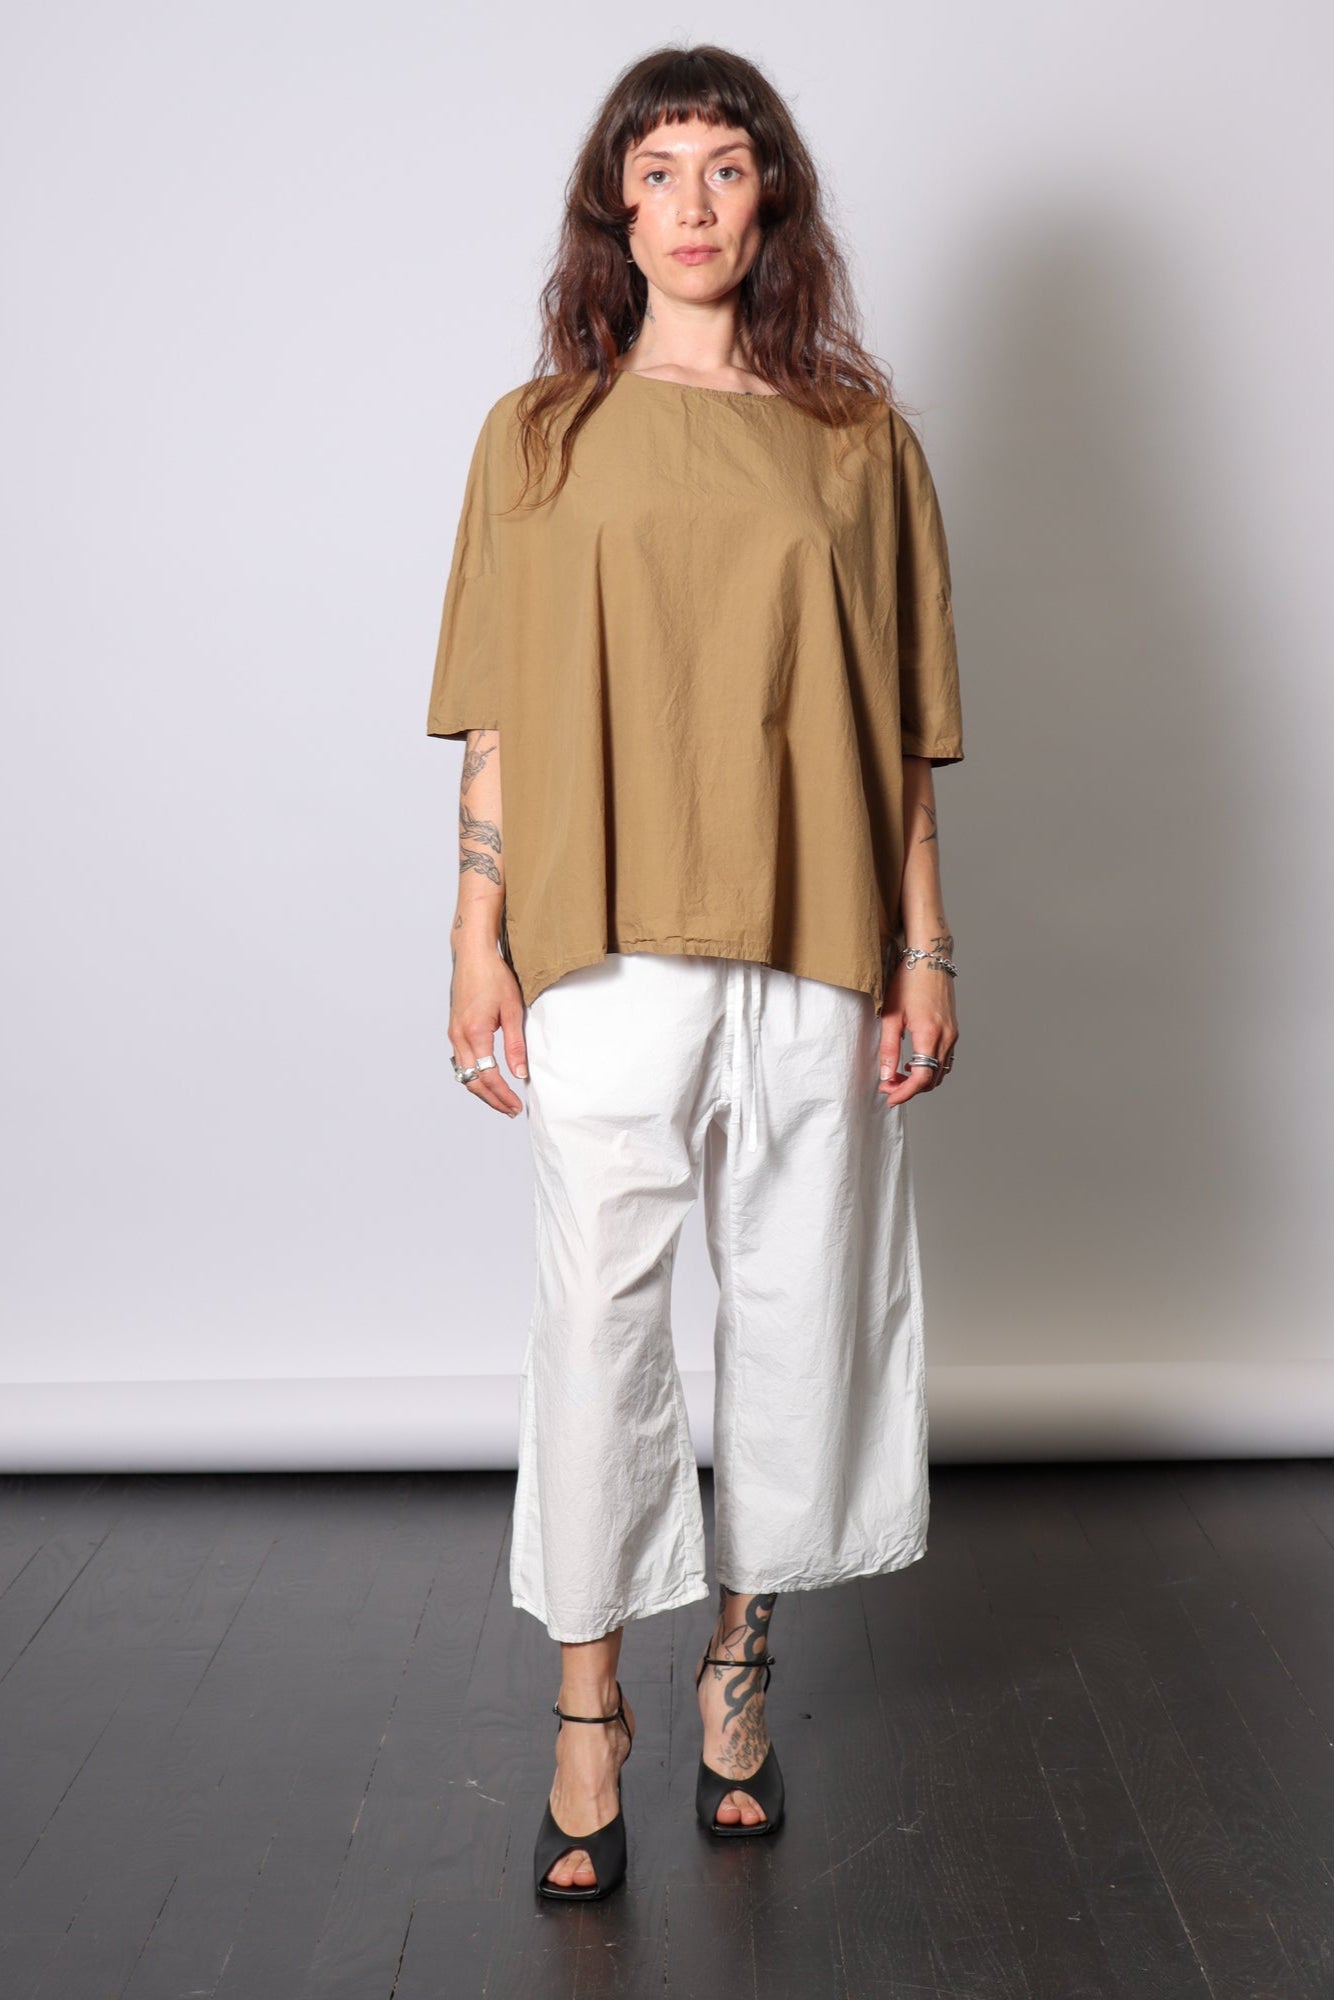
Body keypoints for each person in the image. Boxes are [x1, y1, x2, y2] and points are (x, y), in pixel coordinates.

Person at [426, 43, 964, 1903]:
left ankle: (740, 1665)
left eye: (725, 167)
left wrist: (923, 945)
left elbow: (898, 729)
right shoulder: (537, 434)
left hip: (814, 935)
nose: (691, 204)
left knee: (794, 1311)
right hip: (598, 936)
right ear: (615, 205)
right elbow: (494, 715)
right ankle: (590, 1709)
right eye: (656, 171)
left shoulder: (856, 441)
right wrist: (474, 931)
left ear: (770, 199)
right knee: (599, 1319)